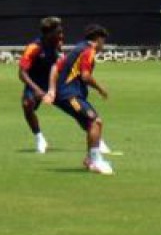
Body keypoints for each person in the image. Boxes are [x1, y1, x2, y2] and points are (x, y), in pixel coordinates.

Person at [43, 24, 113, 175]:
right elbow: (85, 76)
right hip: (69, 95)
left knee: (93, 124)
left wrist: (52, 90)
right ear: (98, 39)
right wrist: (101, 89)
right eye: (103, 42)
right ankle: (95, 161)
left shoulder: (78, 48)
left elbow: (56, 67)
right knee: (95, 121)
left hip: (68, 94)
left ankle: (90, 159)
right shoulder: (88, 51)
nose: (103, 45)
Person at [18, 17, 64, 153]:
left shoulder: (56, 43)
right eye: (58, 32)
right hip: (36, 84)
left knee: (75, 105)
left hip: (55, 83)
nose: (61, 36)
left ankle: (96, 137)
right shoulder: (33, 48)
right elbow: (22, 73)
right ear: (48, 33)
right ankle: (40, 138)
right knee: (27, 105)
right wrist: (37, 90)